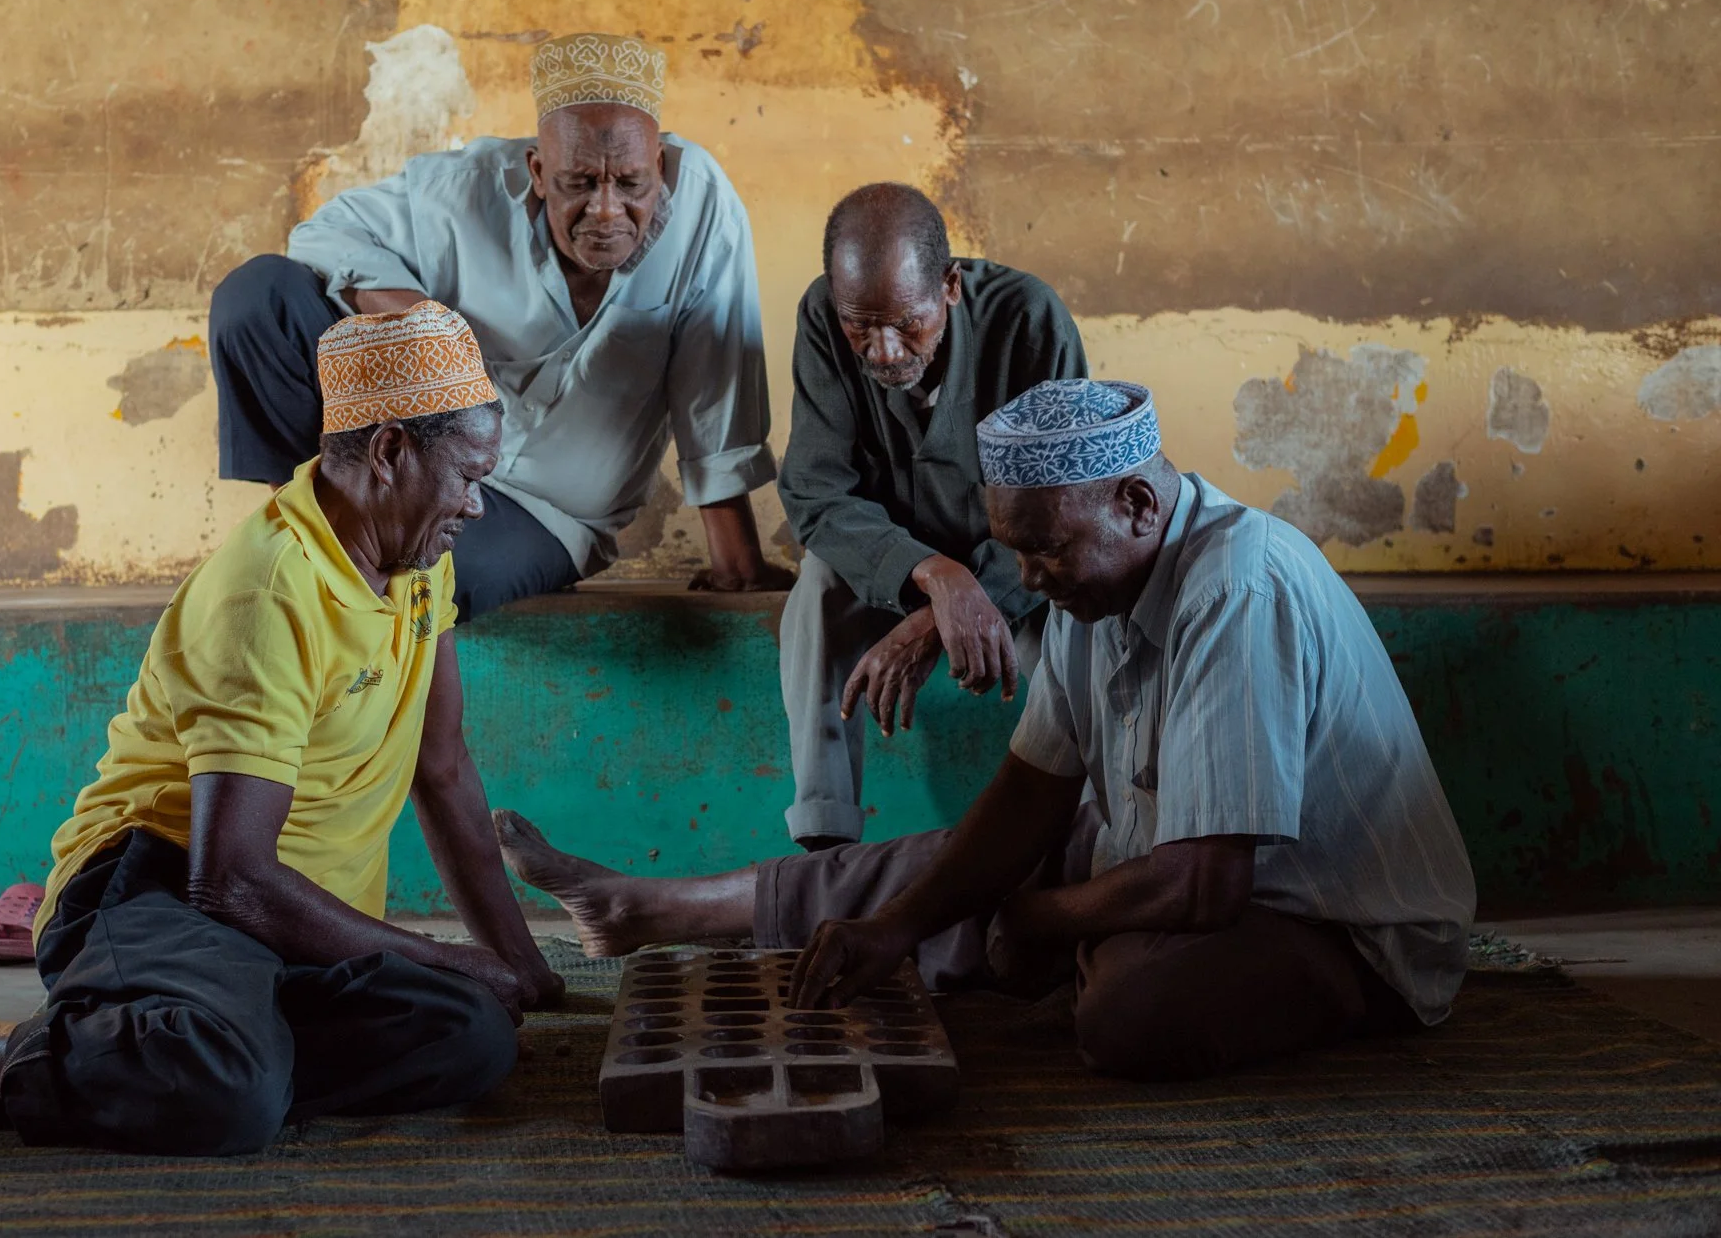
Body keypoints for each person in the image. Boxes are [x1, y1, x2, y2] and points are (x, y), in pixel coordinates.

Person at [0, 304, 566, 1154]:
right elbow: (232, 883)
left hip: (288, 927)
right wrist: (437, 957)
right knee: (234, 1096)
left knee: (474, 1036)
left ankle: (105, 1065)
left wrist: (522, 969)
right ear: (392, 451)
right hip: (159, 887)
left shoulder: (419, 561)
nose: (478, 506)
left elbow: (442, 768)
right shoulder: (268, 593)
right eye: (469, 477)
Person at [496, 378, 1478, 1080]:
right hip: (1171, 863)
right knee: (940, 868)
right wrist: (900, 924)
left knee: (1127, 1016)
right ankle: (649, 907)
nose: (1029, 580)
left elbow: (1206, 880)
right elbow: (1027, 795)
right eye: (1013, 554)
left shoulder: (1236, 581)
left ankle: (1063, 953)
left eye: (1044, 552)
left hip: (1334, 929)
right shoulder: (1094, 592)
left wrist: (1046, 916)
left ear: (1135, 504)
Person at [209, 32, 792, 622]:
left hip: (547, 513)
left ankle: (336, 549)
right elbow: (322, 235)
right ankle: (300, 524)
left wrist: (737, 564)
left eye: (631, 185)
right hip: (419, 470)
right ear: (537, 171)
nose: (608, 211)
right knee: (259, 297)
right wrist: (425, 324)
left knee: (425, 579)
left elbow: (715, 380)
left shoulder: (704, 208)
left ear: (659, 169)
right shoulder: (463, 190)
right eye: (580, 184)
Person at [777, 184, 1087, 850]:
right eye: (861, 324)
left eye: (906, 324)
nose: (884, 350)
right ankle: (825, 845)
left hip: (1015, 577)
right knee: (815, 593)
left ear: (949, 285)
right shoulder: (822, 318)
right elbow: (815, 491)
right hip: (894, 571)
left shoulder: (1029, 319)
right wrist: (933, 576)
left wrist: (953, 607)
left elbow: (1063, 502)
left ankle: (1096, 834)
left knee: (1081, 641)